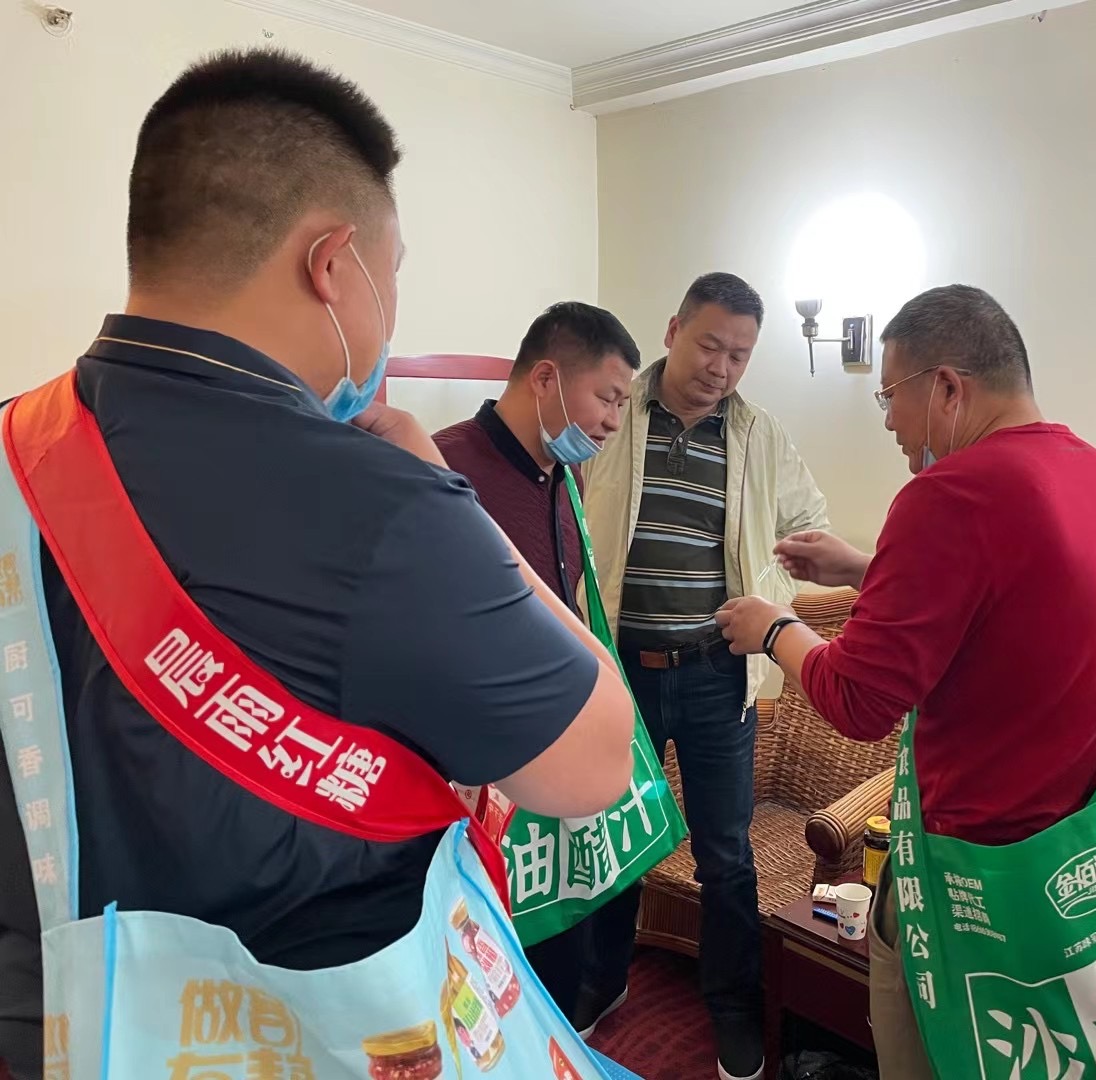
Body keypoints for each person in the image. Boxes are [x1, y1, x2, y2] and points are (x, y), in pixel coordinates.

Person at [0, 49, 634, 1079]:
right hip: (302, 1034)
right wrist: (453, 499)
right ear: (332, 264)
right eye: (394, 272)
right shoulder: (388, 506)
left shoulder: (12, 447)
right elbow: (594, 763)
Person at [717, 285, 1096, 1077]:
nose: (889, 421)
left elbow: (858, 699)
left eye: (891, 394)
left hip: (973, 886)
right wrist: (868, 569)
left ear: (948, 388)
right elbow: (1015, 601)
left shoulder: (949, 495)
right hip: (1084, 876)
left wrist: (774, 629)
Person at [583, 272, 829, 1080]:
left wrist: (766, 594)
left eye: (740, 355)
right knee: (612, 837)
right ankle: (603, 981)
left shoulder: (759, 434)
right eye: (710, 345)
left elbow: (810, 528)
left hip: (717, 676)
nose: (722, 368)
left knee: (725, 854)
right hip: (620, 671)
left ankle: (733, 1011)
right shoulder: (617, 412)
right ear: (673, 331)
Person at [433, 300, 642, 1031]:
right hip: (477, 759)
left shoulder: (565, 477)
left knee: (560, 933)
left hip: (556, 746)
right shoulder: (446, 465)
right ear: (547, 379)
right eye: (606, 398)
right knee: (486, 951)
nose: (613, 421)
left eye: (622, 403)